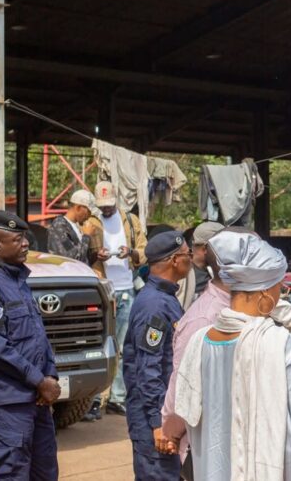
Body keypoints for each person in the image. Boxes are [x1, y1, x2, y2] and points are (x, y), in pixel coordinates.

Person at [174, 232, 291, 480]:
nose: (281, 294)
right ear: (264, 295)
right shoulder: (279, 342)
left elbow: (187, 413)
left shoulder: (200, 340)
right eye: (278, 288)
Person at [0, 210, 61, 480]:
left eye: (25, 238)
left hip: (35, 399)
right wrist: (39, 381)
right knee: (12, 474)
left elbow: (38, 336)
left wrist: (49, 375)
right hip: (7, 403)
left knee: (45, 473)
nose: (26, 243)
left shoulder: (17, 282)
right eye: (18, 239)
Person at [123, 231, 193, 479]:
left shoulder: (165, 298)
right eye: (188, 254)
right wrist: (158, 423)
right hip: (153, 421)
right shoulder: (154, 304)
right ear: (175, 260)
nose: (191, 259)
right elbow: (147, 369)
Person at [161, 225, 230, 473]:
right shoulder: (202, 318)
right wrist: (169, 429)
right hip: (201, 442)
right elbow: (182, 382)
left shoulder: (240, 307)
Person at [87, 180, 148, 416]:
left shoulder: (131, 222)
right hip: (103, 290)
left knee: (124, 346)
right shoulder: (91, 223)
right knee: (97, 344)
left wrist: (131, 252)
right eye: (102, 206)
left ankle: (117, 397)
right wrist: (96, 254)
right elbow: (84, 254)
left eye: (110, 204)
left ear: (117, 199)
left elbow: (145, 250)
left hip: (126, 290)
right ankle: (93, 399)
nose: (107, 209)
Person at [47, 189, 108, 267]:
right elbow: (73, 260)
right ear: (78, 208)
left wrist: (97, 255)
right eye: (88, 211)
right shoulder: (59, 226)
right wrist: (86, 236)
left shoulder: (76, 226)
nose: (89, 215)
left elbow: (83, 258)